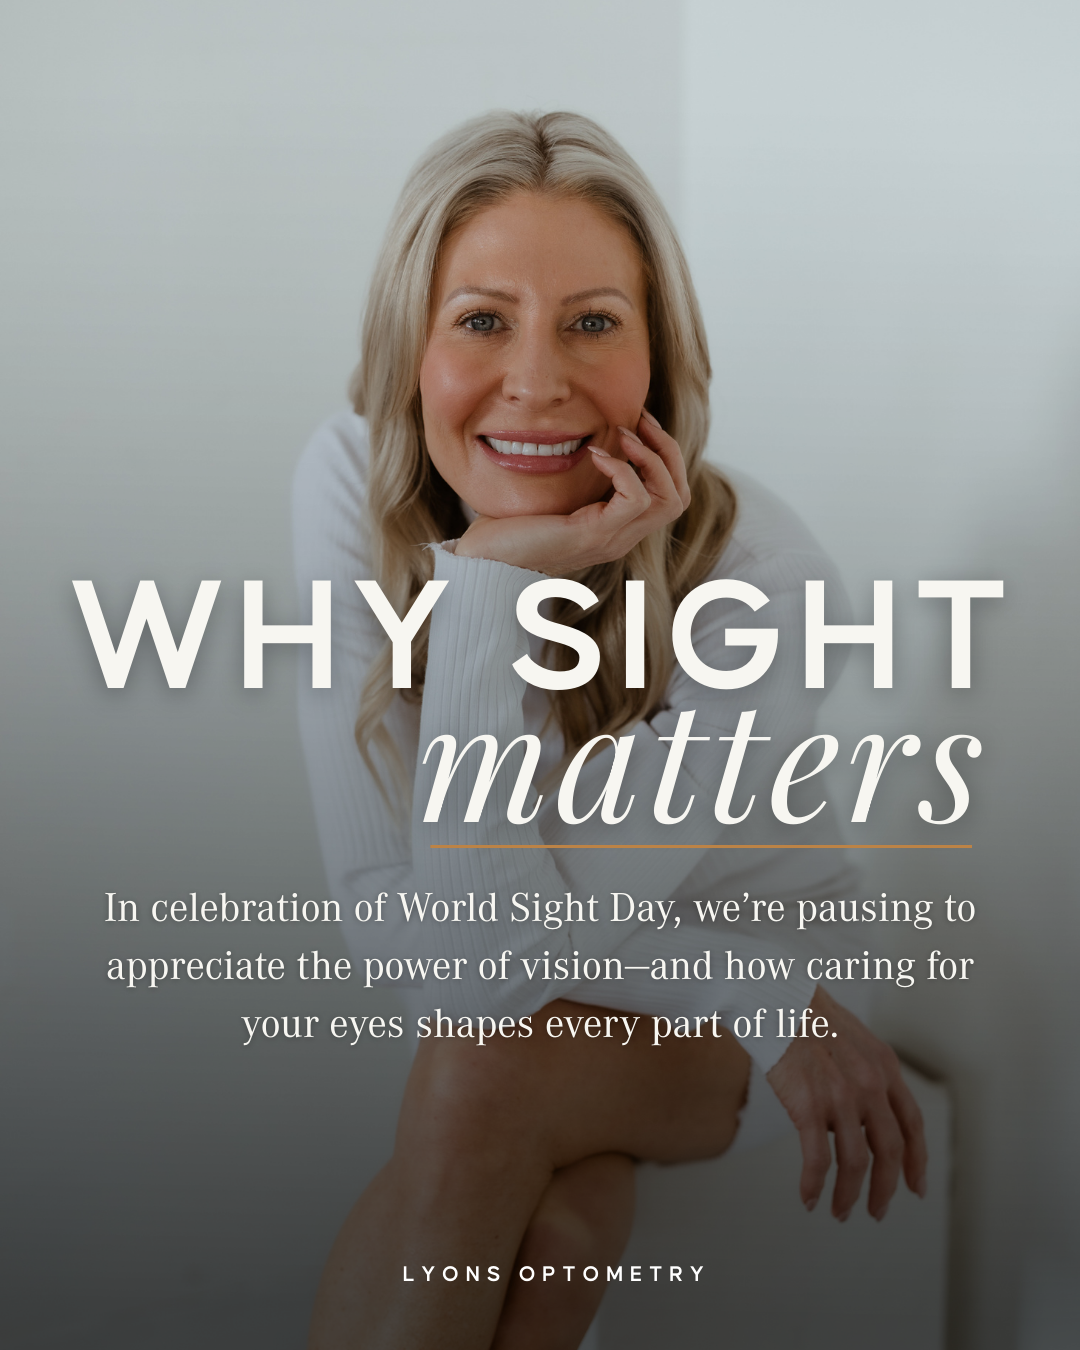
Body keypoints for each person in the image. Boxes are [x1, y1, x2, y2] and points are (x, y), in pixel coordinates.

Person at [294, 110, 927, 1350]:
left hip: (764, 1014)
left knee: (478, 1066)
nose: (537, 379)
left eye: (592, 321)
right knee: (555, 1235)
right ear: (408, 343)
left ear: (660, 356)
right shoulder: (343, 484)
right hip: (721, 986)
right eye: (482, 319)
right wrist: (502, 578)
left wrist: (482, 592)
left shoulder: (758, 576)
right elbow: (398, 913)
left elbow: (482, 976)